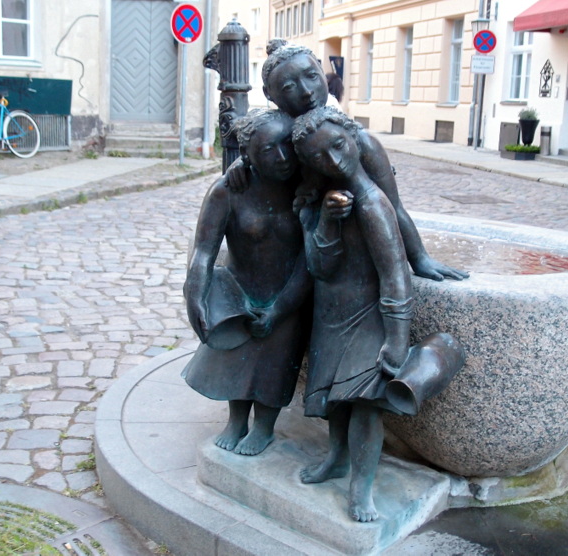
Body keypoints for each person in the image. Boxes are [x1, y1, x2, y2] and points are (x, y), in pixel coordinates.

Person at [227, 39, 468, 283]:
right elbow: (258, 150)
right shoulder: (282, 138)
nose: (307, 91)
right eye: (289, 87)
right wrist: (242, 164)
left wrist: (418, 258)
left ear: (322, 69)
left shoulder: (357, 140)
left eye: (311, 75)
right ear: (270, 94)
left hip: (344, 255)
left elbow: (393, 206)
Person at [292, 106, 413, 522]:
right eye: (319, 157)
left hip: (368, 317)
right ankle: (337, 458)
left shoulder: (373, 204)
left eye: (339, 146)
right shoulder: (323, 203)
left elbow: (396, 275)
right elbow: (319, 266)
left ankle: (361, 487)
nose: (334, 161)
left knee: (363, 404)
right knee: (335, 401)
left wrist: (396, 339)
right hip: (331, 317)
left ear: (353, 140)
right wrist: (326, 222)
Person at [183, 109, 309, 456]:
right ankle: (236, 420)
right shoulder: (227, 191)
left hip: (289, 294)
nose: (282, 157)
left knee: (275, 365)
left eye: (286, 145)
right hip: (240, 290)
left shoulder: (304, 186)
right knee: (235, 357)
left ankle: (264, 428)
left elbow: (307, 260)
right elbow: (204, 252)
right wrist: (195, 295)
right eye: (268, 150)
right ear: (247, 154)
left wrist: (282, 307)